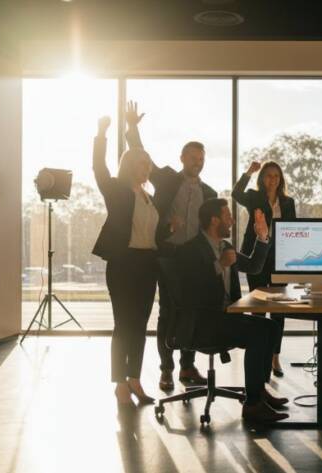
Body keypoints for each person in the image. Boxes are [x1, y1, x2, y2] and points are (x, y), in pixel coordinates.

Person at [173, 198, 289, 423]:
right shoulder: (189, 250)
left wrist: (263, 237)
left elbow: (254, 266)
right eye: (228, 216)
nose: (232, 221)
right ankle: (253, 404)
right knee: (258, 334)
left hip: (226, 318)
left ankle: (258, 391)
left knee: (271, 327)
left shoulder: (225, 247)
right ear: (214, 220)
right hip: (202, 322)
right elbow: (189, 291)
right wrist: (219, 266)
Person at [124, 101, 213, 391]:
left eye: (200, 158)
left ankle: (188, 367)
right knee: (168, 313)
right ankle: (166, 370)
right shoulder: (166, 179)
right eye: (192, 157)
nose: (196, 162)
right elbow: (142, 156)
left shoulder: (209, 192)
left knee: (193, 312)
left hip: (195, 261)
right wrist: (133, 128)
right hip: (168, 257)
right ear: (183, 158)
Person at [92, 115, 158, 406]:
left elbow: (149, 230)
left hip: (147, 264)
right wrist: (101, 134)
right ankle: (119, 383)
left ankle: (135, 379)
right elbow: (99, 168)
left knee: (141, 325)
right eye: (144, 164)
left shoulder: (147, 195)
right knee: (124, 325)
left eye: (149, 163)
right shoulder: (117, 191)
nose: (148, 168)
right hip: (123, 264)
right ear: (132, 165)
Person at [232, 160, 297, 377]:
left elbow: (292, 229)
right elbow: (235, 193)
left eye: (276, 176)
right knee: (258, 307)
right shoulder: (253, 197)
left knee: (279, 309)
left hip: (280, 259)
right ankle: (258, 355)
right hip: (256, 256)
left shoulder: (288, 202)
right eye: (268, 175)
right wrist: (248, 172)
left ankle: (274, 357)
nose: (273, 180)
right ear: (262, 178)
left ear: (281, 179)